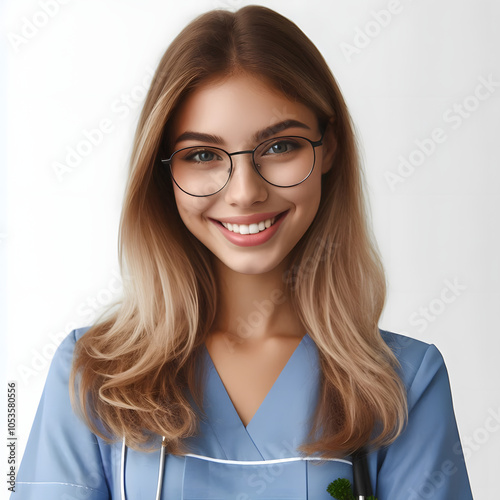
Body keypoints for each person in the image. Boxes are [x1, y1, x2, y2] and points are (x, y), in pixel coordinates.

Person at [13, 5, 473, 499]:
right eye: (203, 155)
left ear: (329, 149)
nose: (244, 192)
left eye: (280, 147)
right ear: (164, 171)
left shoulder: (403, 385)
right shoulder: (93, 376)